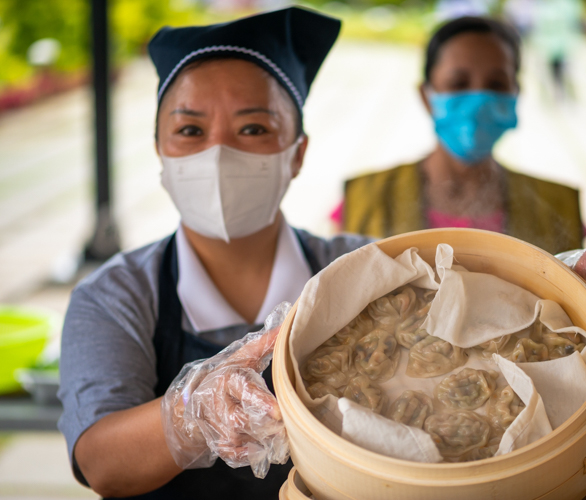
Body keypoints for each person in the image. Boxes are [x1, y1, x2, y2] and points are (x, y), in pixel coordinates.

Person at [57, 7, 369, 499]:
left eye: (252, 129)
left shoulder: (360, 275)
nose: (218, 152)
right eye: (190, 131)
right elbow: (102, 465)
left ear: (298, 152)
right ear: (160, 148)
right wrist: (191, 414)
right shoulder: (115, 295)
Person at [340, 16, 585, 255]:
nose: (478, 99)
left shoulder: (558, 207)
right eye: (458, 83)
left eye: (496, 84)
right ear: (426, 96)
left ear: (515, 95)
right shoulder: (364, 200)